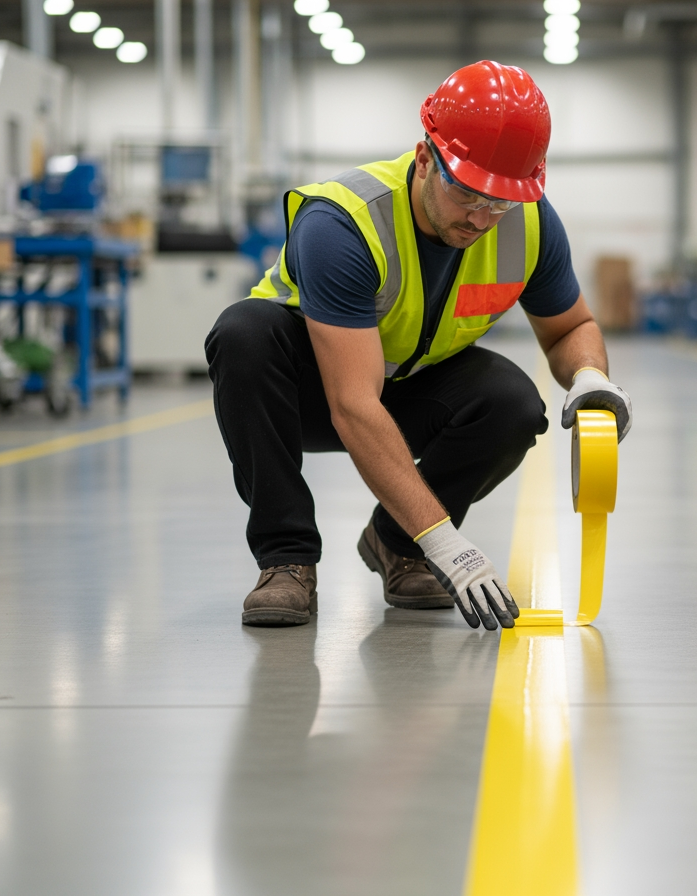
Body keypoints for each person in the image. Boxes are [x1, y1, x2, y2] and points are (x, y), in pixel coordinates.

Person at [205, 60, 633, 632]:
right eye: (467, 194)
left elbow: (569, 328)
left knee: (512, 401)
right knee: (243, 333)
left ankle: (395, 543)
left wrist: (589, 378)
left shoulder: (526, 223)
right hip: (302, 394)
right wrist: (449, 545)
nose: (482, 218)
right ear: (426, 157)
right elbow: (354, 403)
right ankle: (287, 559)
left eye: (500, 201)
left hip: (406, 389)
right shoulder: (346, 222)